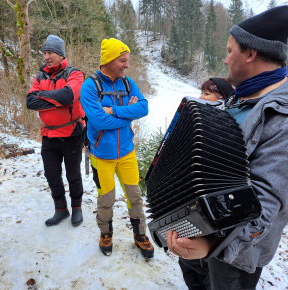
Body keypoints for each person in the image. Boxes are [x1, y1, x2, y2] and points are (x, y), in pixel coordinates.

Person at [167, 6, 288, 290]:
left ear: (250, 54)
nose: (224, 59)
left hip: (236, 255)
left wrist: (211, 244)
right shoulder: (239, 97)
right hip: (198, 226)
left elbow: (267, 204)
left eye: (229, 50)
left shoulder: (281, 116)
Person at [80, 38, 154, 258]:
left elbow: (144, 107)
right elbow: (99, 122)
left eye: (127, 60)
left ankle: (140, 235)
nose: (127, 65)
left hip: (127, 153)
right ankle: (106, 233)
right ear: (109, 60)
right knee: (106, 199)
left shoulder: (128, 83)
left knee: (135, 197)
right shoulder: (90, 86)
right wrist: (127, 115)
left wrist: (112, 110)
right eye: (122, 60)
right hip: (101, 155)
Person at [26, 35, 85, 227]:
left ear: (60, 54)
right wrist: (56, 100)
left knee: (73, 175)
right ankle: (61, 209)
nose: (46, 56)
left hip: (72, 133)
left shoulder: (75, 74)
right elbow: (30, 101)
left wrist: (41, 96)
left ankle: (77, 207)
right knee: (51, 174)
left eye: (50, 52)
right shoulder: (40, 76)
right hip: (48, 134)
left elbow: (69, 95)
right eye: (44, 53)